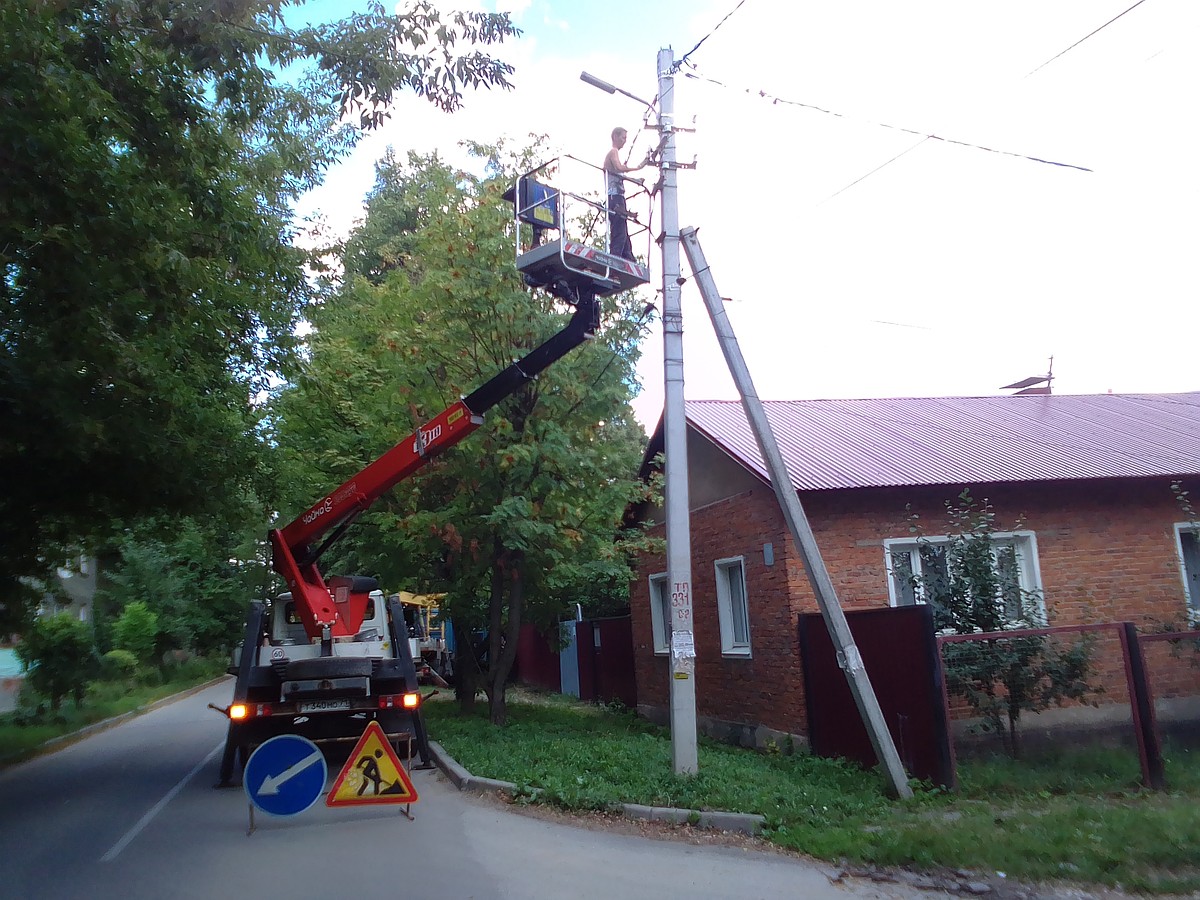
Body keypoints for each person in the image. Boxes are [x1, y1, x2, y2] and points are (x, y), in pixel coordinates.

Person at [604, 127, 651, 260]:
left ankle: (628, 258)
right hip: (615, 197)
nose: (625, 141)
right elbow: (619, 168)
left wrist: (635, 180)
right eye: (623, 138)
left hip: (617, 197)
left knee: (622, 230)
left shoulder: (614, 154)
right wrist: (638, 167)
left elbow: (619, 174)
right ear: (615, 137)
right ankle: (615, 260)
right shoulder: (613, 152)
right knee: (619, 231)